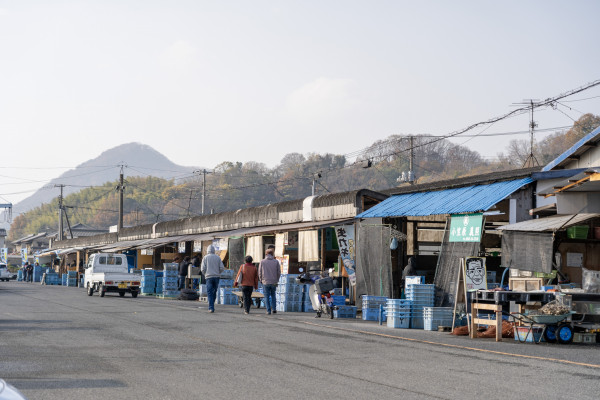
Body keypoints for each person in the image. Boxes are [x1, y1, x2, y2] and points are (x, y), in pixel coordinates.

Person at [201, 245, 225, 313]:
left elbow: (202, 269)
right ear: (214, 250)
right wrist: (218, 273)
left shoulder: (205, 258)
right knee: (214, 291)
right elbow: (222, 268)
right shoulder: (218, 258)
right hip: (216, 277)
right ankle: (212, 304)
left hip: (208, 277)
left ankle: (211, 307)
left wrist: (205, 274)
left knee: (209, 292)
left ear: (207, 250)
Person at [258, 245, 281, 315]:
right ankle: (274, 309)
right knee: (273, 295)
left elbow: (260, 272)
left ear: (266, 254)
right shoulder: (276, 262)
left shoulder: (262, 261)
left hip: (265, 281)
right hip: (274, 281)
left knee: (266, 296)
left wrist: (261, 280)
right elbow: (279, 272)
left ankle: (268, 310)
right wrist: (277, 279)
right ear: (272, 254)